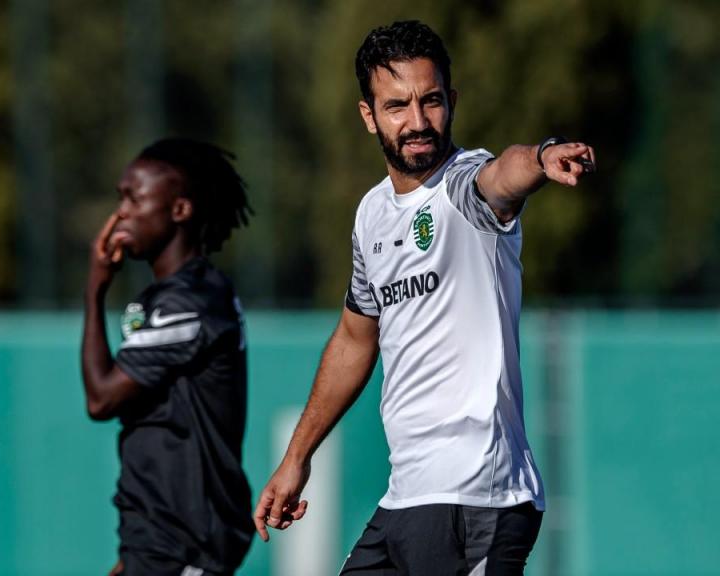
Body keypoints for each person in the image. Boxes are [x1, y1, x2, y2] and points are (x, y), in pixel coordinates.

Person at [253, 20, 596, 575]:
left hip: (477, 497)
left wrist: (543, 155)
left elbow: (504, 173)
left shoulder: (465, 187)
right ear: (369, 116)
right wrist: (296, 459)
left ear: (451, 101)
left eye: (430, 101)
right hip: (408, 497)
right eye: (396, 106)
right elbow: (353, 339)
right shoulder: (371, 216)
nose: (417, 122)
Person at [81, 138, 254, 576]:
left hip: (186, 543)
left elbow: (101, 399)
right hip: (155, 541)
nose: (121, 212)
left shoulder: (190, 301)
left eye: (134, 198)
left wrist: (95, 288)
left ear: (179, 210)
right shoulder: (172, 297)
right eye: (121, 196)